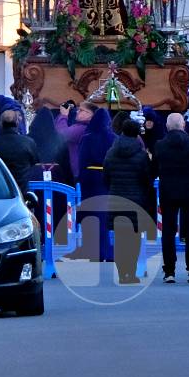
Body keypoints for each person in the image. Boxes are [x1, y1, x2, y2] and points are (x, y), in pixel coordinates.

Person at [152, 113, 189, 283]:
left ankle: (169, 271)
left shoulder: (160, 145)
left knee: (168, 231)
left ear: (167, 127)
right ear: (183, 125)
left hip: (168, 191)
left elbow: (153, 169)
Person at [103, 119, 151, 284]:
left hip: (116, 199)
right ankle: (131, 273)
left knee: (120, 238)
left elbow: (106, 176)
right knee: (134, 239)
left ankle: (122, 273)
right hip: (135, 202)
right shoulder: (141, 155)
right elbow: (147, 180)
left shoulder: (111, 152)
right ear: (137, 134)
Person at [75, 107, 115, 261]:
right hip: (106, 178)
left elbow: (82, 159)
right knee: (105, 216)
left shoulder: (87, 137)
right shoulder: (113, 138)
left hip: (90, 179)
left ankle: (94, 252)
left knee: (92, 215)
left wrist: (81, 178)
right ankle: (108, 251)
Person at [0, 110, 39, 194]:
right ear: (17, 122)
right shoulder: (28, 142)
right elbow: (35, 162)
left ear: (0, 123)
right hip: (22, 192)